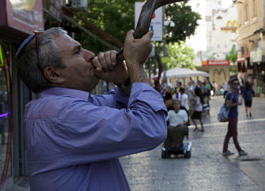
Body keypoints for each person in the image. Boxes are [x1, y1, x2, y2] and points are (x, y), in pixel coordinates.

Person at [16, 28, 167, 190]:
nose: (91, 55)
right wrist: (135, 64)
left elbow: (125, 107)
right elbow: (151, 127)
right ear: (54, 74)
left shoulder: (61, 107)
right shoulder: (62, 114)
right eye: (77, 52)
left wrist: (123, 78)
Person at [222, 76, 247, 157]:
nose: (236, 85)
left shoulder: (235, 93)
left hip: (235, 115)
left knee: (229, 133)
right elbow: (227, 105)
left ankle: (225, 150)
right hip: (231, 116)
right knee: (234, 133)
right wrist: (237, 104)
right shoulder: (230, 94)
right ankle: (239, 150)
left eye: (237, 83)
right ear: (231, 84)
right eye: (234, 83)